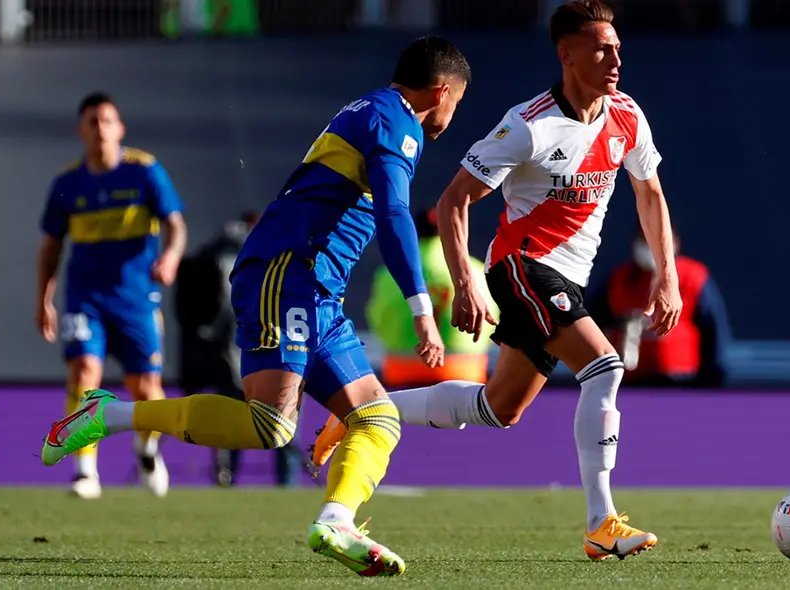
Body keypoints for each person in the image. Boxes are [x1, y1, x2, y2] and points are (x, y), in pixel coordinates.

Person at [41, 36, 470, 577]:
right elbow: (393, 215)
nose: (453, 115)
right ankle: (107, 414)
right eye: (457, 103)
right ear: (442, 91)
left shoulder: (375, 110)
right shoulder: (396, 120)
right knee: (273, 426)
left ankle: (337, 520)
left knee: (377, 419)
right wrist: (421, 309)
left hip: (318, 291)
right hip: (285, 272)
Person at [312, 0, 681, 562]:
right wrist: (467, 281)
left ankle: (368, 410)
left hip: (567, 279)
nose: (614, 58)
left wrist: (667, 277)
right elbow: (454, 199)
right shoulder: (529, 124)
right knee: (604, 367)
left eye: (617, 48)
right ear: (567, 54)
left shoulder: (627, 116)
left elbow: (649, 194)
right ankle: (601, 523)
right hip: (521, 266)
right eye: (601, 48)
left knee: (499, 408)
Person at [35, 92, 188, 500]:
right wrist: (44, 299)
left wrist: (170, 258)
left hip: (137, 300)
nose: (100, 128)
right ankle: (85, 471)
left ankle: (146, 448)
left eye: (107, 120)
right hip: (87, 298)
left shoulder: (145, 172)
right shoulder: (68, 183)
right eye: (92, 121)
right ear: (80, 130)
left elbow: (175, 225)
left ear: (120, 128)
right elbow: (50, 246)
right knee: (84, 372)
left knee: (145, 389)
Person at [175, 211, 304, 487]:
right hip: (269, 352)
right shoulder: (268, 256)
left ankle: (228, 481)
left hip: (231, 355)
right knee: (279, 419)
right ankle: (286, 485)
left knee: (236, 421)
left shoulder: (214, 254)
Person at [365, 207, 496, 387]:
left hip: (402, 367)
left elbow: (377, 315)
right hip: (463, 367)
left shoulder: (389, 273)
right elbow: (492, 317)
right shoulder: (474, 270)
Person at [605, 225, 731, 387]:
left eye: (660, 240)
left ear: (675, 243)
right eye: (645, 240)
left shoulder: (693, 277)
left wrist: (713, 375)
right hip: (630, 380)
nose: (651, 246)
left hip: (680, 379)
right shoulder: (619, 279)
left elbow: (713, 328)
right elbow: (595, 323)